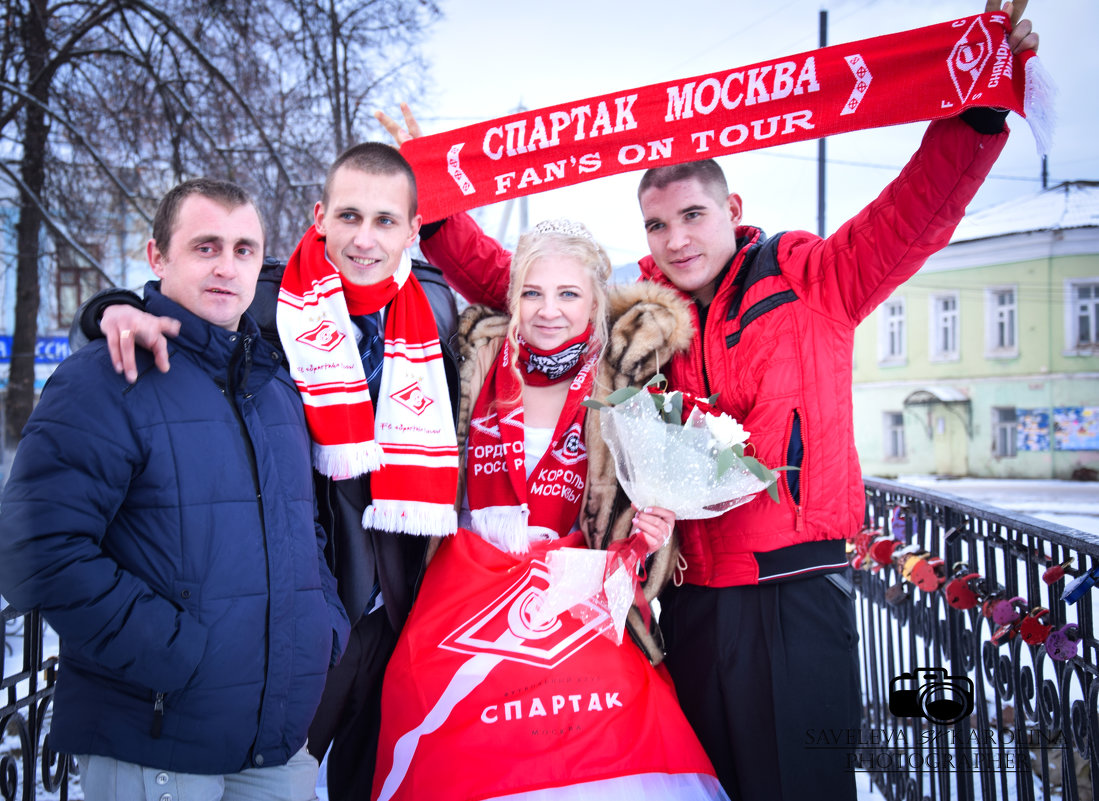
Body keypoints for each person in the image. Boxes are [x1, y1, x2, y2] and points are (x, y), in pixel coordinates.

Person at [373, 3, 1040, 798]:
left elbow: (914, 212)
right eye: (656, 224)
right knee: (706, 784)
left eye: (691, 214)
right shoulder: (643, 316)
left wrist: (977, 109)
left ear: (730, 208)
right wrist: (441, 204)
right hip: (683, 602)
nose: (675, 238)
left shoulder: (818, 279)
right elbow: (529, 292)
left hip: (794, 592)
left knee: (799, 784)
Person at [72, 143, 462, 801]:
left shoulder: (436, 304)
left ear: (412, 228)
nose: (365, 239)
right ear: (320, 215)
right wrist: (108, 309)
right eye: (349, 216)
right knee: (278, 769)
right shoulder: (269, 298)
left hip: (393, 599)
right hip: (295, 606)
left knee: (374, 778)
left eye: (385, 221)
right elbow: (171, 318)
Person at [0, 178, 351, 801]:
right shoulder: (108, 377)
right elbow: (36, 549)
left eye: (245, 249)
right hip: (155, 739)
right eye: (205, 246)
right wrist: (174, 653)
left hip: (274, 743)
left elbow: (304, 529)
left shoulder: (273, 389)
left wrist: (320, 625)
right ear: (157, 257)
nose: (227, 266)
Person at [372, 217, 727, 801]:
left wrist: (649, 535)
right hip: (463, 599)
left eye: (568, 294)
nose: (548, 311)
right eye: (532, 293)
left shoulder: (629, 386)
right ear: (512, 299)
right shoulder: (471, 365)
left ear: (595, 303)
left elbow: (643, 538)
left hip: (576, 608)